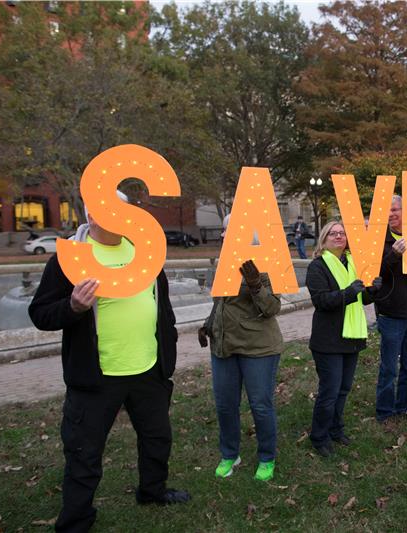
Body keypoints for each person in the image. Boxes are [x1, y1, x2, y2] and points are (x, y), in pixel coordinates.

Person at [28, 191, 189, 533]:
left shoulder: (146, 253)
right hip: (97, 376)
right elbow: (40, 313)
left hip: (148, 369)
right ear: (90, 215)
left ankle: (152, 492)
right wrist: (72, 306)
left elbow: (163, 306)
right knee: (84, 451)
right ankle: (76, 520)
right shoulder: (70, 258)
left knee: (157, 438)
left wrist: (169, 345)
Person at [198, 210, 283, 481]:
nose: (223, 234)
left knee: (260, 405)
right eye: (224, 230)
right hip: (223, 346)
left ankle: (267, 457)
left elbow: (272, 307)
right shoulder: (223, 262)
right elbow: (222, 303)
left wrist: (256, 283)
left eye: (229, 230)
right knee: (225, 404)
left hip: (258, 348)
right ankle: (229, 454)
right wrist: (208, 324)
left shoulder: (266, 260)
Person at [306, 220, 381, 456]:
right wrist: (349, 292)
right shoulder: (317, 267)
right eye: (333, 233)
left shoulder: (352, 263)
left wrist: (372, 291)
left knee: (343, 389)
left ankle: (336, 429)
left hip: (351, 336)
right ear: (324, 239)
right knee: (329, 391)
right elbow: (322, 301)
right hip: (328, 339)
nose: (339, 236)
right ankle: (319, 437)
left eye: (342, 233)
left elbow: (362, 299)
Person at [372, 196, 407, 422]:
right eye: (387, 211)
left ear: (406, 211)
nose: (391, 214)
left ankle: (403, 407)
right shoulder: (379, 240)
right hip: (392, 314)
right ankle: (384, 413)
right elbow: (376, 273)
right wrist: (394, 254)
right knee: (389, 368)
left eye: (395, 209)